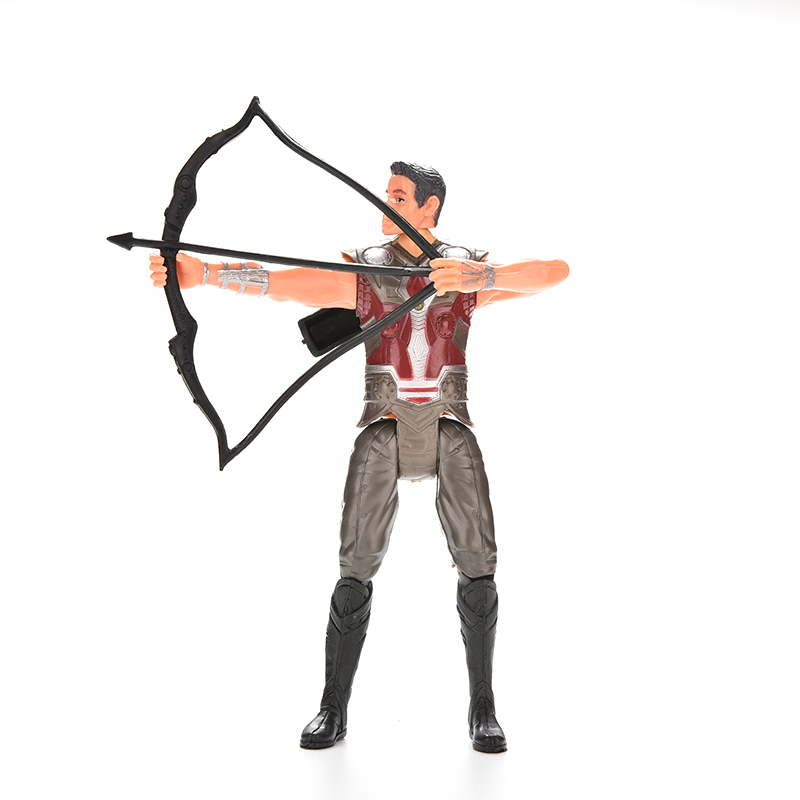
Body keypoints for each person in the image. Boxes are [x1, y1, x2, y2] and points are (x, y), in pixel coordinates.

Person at [148, 161, 569, 753]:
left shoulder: (463, 271)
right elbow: (291, 283)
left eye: (399, 196)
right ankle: (333, 707)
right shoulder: (368, 271)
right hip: (383, 426)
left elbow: (556, 271)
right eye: (387, 194)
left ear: (429, 206)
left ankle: (484, 708)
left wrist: (483, 275)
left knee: (479, 567)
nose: (386, 203)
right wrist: (207, 273)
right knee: (355, 567)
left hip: (449, 425)